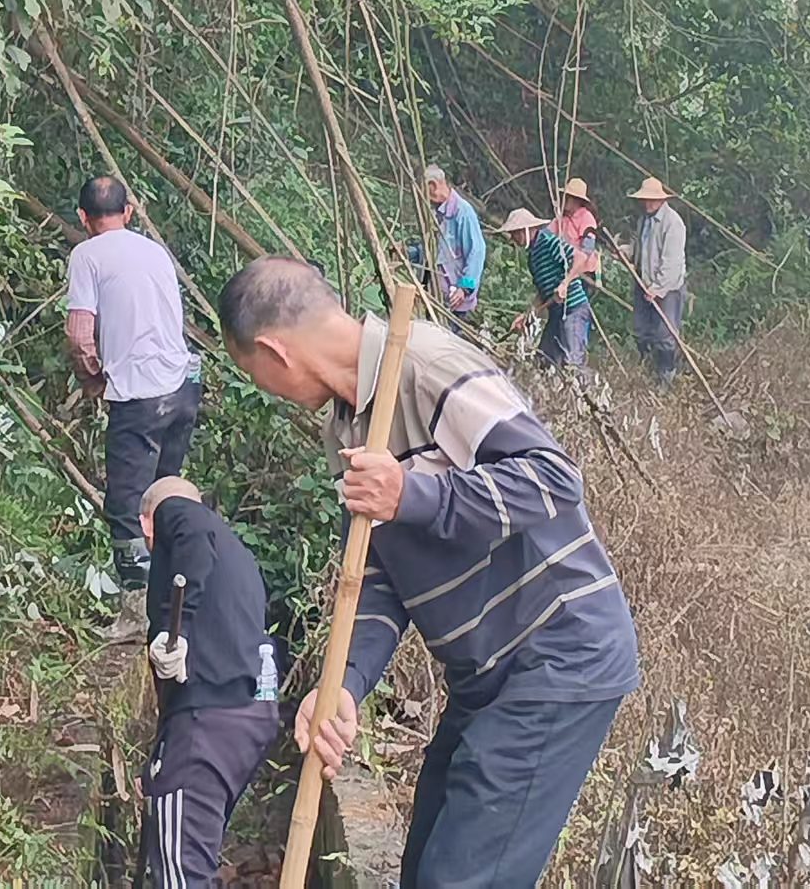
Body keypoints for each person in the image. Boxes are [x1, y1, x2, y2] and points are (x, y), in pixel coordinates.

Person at [217, 257, 639, 889]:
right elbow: (379, 577)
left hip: (558, 652)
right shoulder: (346, 427)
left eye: (257, 376)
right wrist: (345, 688)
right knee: (422, 871)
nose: (270, 391)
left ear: (275, 353)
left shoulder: (424, 367)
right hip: (483, 672)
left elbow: (555, 479)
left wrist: (412, 495)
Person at [64, 175, 201, 642]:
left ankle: (136, 613)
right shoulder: (154, 250)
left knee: (126, 505)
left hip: (139, 394)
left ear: (83, 218)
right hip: (183, 386)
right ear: (129, 211)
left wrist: (93, 380)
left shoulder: (86, 255)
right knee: (165, 494)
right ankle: (176, 599)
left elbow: (81, 337)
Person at [139, 476, 280, 888]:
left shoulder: (177, 514)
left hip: (207, 725)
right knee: (191, 855)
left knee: (181, 874)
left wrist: (171, 630)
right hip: (248, 717)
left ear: (146, 523)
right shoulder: (237, 556)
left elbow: (189, 527)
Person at [498, 207, 593, 369]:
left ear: (526, 230)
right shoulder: (532, 257)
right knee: (544, 359)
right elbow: (542, 294)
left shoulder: (548, 242)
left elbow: (580, 257)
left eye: (515, 233)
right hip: (556, 311)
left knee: (573, 362)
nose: (513, 238)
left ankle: (583, 392)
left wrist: (565, 283)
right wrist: (527, 315)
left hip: (573, 309)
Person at [628, 176, 687, 383]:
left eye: (652, 199)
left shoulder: (673, 223)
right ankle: (646, 372)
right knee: (642, 331)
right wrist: (625, 253)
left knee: (665, 335)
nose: (648, 203)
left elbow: (671, 262)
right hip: (643, 282)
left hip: (667, 288)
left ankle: (666, 378)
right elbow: (639, 249)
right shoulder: (643, 221)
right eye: (645, 199)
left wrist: (658, 288)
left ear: (662, 199)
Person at [422, 163, 486, 325]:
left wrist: (464, 288)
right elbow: (433, 251)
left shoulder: (462, 212)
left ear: (433, 186)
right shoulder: (437, 214)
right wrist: (408, 252)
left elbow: (477, 251)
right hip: (437, 296)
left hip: (456, 300)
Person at [552, 176, 601, 300]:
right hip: (564, 269)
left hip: (583, 272)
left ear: (576, 200)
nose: (565, 200)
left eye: (568, 197)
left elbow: (587, 250)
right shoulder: (562, 218)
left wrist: (572, 274)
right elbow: (547, 233)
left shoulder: (587, 218)